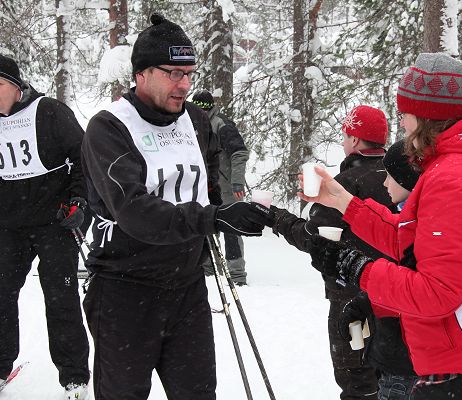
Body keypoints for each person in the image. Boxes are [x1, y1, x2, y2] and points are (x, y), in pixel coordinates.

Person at [301, 53, 462, 400]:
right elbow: (414, 240)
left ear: (425, 117)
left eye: (404, 114)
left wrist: (359, 270)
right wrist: (344, 202)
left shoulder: (456, 179)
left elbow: (438, 293)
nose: (401, 124)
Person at [80, 14, 273, 400]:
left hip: (186, 289)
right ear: (141, 73)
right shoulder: (110, 128)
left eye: (189, 73)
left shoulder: (197, 121)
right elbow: (136, 213)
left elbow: (209, 182)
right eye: (173, 73)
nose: (184, 84)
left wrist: (235, 210)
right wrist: (214, 218)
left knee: (198, 392)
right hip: (124, 290)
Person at [268, 105, 394, 400]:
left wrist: (277, 219)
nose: (342, 142)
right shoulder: (396, 176)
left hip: (351, 294)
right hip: (395, 294)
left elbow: (314, 238)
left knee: (357, 382)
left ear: (354, 139)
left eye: (345, 135)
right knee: (390, 378)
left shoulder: (346, 183)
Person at [0, 54, 90, 399]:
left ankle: (74, 377)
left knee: (60, 298)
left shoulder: (49, 111)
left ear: (13, 85)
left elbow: (84, 157)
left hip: (54, 221)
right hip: (8, 225)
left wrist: (79, 201)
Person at [338, 140, 420, 400]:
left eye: (390, 177)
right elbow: (401, 276)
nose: (384, 184)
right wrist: (366, 303)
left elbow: (416, 289)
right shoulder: (408, 220)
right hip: (398, 357)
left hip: (407, 364)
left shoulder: (421, 226)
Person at [193, 90, 250, 285]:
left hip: (225, 185)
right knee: (206, 225)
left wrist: (237, 181)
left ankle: (237, 274)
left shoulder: (221, 125)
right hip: (203, 186)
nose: (200, 112)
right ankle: (208, 268)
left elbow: (239, 152)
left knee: (231, 228)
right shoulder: (190, 123)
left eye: (204, 108)